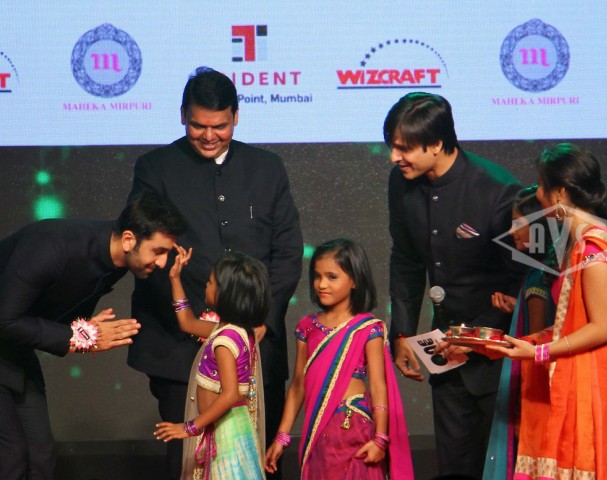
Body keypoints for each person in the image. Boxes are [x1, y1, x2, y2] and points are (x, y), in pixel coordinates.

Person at [127, 67, 303, 479]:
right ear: (182, 115)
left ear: (236, 116)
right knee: (190, 461)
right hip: (179, 349)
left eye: (220, 126)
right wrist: (191, 319)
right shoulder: (155, 168)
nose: (209, 136)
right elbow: (146, 254)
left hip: (256, 346)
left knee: (257, 460)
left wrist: (260, 319)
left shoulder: (267, 168)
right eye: (198, 126)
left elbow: (288, 253)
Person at [0, 191, 187, 480]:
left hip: (13, 350)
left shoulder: (116, 264)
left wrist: (85, 330)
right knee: (12, 455)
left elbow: (46, 314)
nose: (163, 262)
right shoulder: (52, 247)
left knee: (41, 455)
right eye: (158, 251)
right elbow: (4, 318)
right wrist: (77, 337)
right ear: (129, 240)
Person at [384, 92, 522, 479]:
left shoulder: (498, 190)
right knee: (455, 468)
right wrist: (402, 333)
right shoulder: (401, 183)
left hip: (499, 358)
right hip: (445, 356)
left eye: (404, 148)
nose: (394, 157)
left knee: (504, 467)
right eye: (392, 146)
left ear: (436, 144)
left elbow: (524, 280)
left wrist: (475, 337)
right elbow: (406, 260)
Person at [488, 143, 607, 479]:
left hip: (602, 378)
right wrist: (523, 343)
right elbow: (572, 324)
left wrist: (539, 352)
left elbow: (601, 327)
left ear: (560, 194)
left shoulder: (593, 249)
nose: (537, 196)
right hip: (589, 371)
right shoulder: (582, 244)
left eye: (542, 188)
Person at [264, 238, 414, 479]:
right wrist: (281, 437)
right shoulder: (307, 326)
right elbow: (298, 385)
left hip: (354, 430)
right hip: (319, 435)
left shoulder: (367, 328)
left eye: (332, 277)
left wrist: (380, 439)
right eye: (317, 276)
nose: (321, 284)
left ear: (354, 280)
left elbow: (378, 386)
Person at [154, 249, 269, 479]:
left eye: (210, 283)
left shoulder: (225, 341)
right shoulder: (233, 330)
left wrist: (189, 427)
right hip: (226, 426)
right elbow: (187, 323)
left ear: (226, 293)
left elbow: (230, 395)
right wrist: (175, 279)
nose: (206, 286)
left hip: (227, 430)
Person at [482, 186, 557, 479]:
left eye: (518, 224)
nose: (511, 231)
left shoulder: (539, 275)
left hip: (537, 382)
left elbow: (536, 337)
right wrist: (518, 307)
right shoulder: (549, 268)